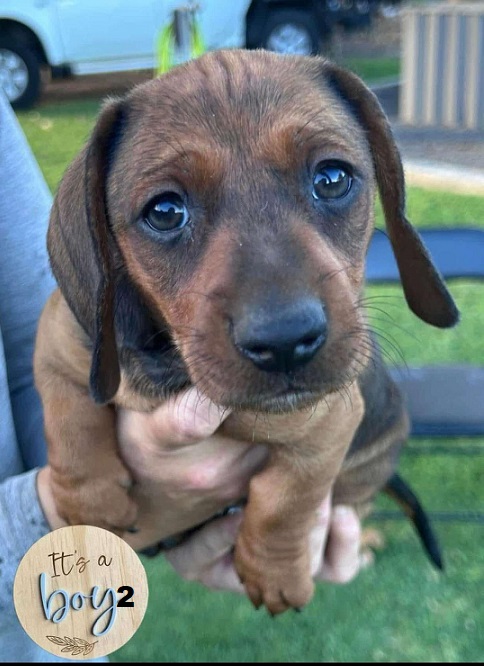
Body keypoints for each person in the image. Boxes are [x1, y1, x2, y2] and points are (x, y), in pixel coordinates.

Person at [0, 91, 365, 663]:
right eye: (166, 211)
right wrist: (74, 480)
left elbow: (26, 342)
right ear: (101, 239)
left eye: (332, 179)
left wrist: (281, 532)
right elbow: (57, 346)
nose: (281, 320)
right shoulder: (83, 311)